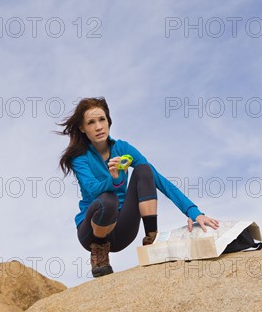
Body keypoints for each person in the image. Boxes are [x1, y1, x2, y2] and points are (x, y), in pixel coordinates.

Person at [57, 97, 219, 278]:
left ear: (109, 121)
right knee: (108, 200)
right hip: (92, 232)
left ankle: (152, 239)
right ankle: (100, 253)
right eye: (91, 122)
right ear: (82, 128)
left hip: (122, 231)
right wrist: (115, 179)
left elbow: (158, 180)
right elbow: (93, 189)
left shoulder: (123, 148)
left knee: (144, 170)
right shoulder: (79, 158)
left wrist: (194, 212)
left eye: (102, 119)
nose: (98, 127)